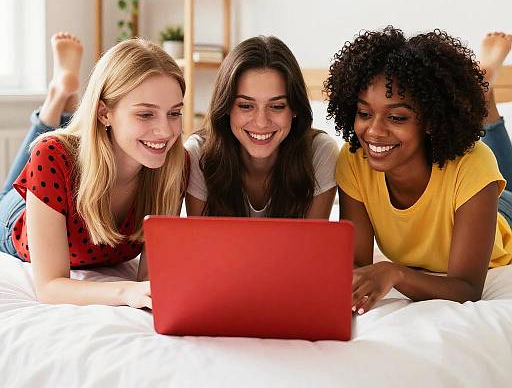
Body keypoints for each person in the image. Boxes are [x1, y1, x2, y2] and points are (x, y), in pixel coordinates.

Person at [325, 27, 512, 314]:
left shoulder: (473, 164)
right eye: (364, 113)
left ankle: (483, 92)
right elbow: (357, 264)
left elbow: (466, 287)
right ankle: (481, 89)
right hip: (469, 187)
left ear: (430, 121)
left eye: (396, 117)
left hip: (503, 216)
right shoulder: (354, 160)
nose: (373, 131)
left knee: (498, 170)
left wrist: (395, 273)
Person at [0, 32, 186, 308]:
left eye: (174, 113)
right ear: (104, 113)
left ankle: (64, 100)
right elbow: (50, 287)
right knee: (40, 152)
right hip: (16, 219)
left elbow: (149, 281)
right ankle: (57, 97)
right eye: (146, 114)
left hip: (81, 154)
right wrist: (124, 293)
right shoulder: (52, 157)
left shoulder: (174, 165)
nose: (166, 131)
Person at [185, 35, 338, 219]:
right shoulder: (198, 154)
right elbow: (201, 244)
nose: (261, 122)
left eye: (277, 106)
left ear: (295, 109)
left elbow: (313, 246)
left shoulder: (320, 153)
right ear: (226, 107)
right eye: (245, 106)